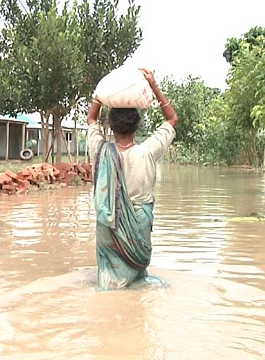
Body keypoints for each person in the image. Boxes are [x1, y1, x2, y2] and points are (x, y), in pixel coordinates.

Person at [87, 68, 179, 290]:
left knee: (109, 278)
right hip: (139, 223)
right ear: (137, 125)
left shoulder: (99, 150)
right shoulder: (148, 151)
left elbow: (91, 119)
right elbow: (172, 118)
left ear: (110, 125)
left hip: (109, 224)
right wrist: (154, 85)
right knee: (138, 280)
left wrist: (99, 96)